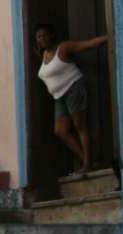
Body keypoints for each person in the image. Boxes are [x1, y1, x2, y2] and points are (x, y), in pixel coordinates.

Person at [34, 24, 108, 174]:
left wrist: (109, 37)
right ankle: (88, 161)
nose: (42, 39)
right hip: (58, 96)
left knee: (80, 125)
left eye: (44, 35)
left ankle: (87, 164)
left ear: (51, 36)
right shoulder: (43, 55)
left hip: (73, 88)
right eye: (39, 36)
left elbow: (88, 44)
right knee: (60, 131)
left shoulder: (63, 48)